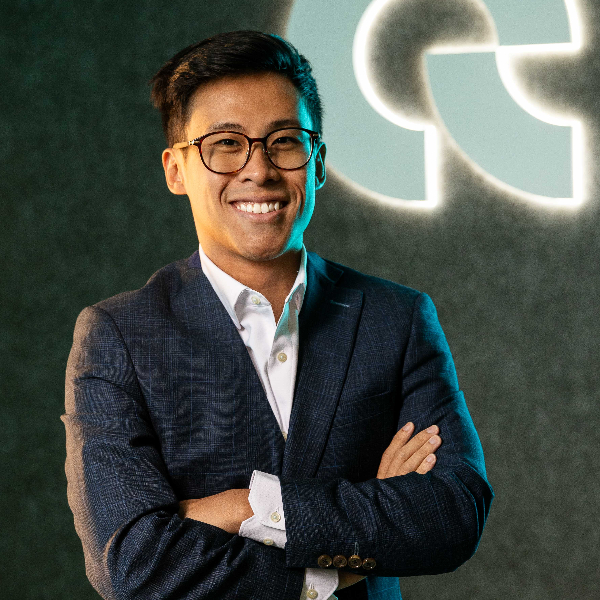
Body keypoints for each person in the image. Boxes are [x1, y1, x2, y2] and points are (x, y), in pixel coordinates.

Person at [63, 31, 493, 600]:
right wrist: (339, 561)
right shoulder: (118, 335)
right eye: (225, 144)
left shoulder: (396, 318)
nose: (259, 170)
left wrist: (247, 506)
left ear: (318, 163)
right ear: (175, 170)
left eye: (284, 142)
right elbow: (131, 565)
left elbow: (451, 514)